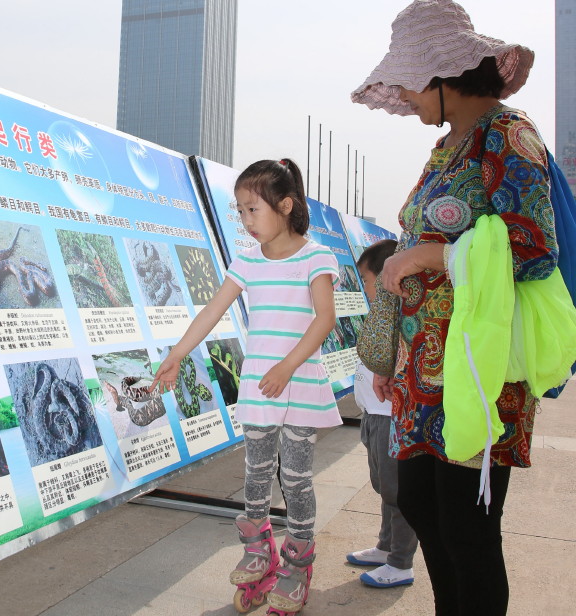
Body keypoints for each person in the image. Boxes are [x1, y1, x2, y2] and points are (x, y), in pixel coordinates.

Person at [350, 1, 556, 614]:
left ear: (442, 74)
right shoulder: (447, 146)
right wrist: (395, 353)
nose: (405, 96)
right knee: (419, 501)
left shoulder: (509, 136)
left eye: (410, 81)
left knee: (469, 528)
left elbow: (531, 249)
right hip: (422, 368)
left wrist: (428, 257)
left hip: (477, 367)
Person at [151, 158, 341, 614]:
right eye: (239, 211)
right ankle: (259, 553)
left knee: (294, 478)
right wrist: (177, 354)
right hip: (259, 385)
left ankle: (297, 565)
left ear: (285, 205)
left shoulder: (316, 257)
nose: (245, 220)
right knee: (256, 472)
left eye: (253, 209)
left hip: (297, 383)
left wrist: (288, 367)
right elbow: (212, 311)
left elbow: (325, 319)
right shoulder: (248, 261)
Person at [346, 239, 419, 589]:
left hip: (391, 418)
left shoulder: (401, 316)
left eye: (366, 279)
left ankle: (401, 563)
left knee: (398, 492)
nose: (363, 287)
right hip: (373, 416)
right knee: (384, 487)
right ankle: (385, 546)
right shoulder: (381, 315)